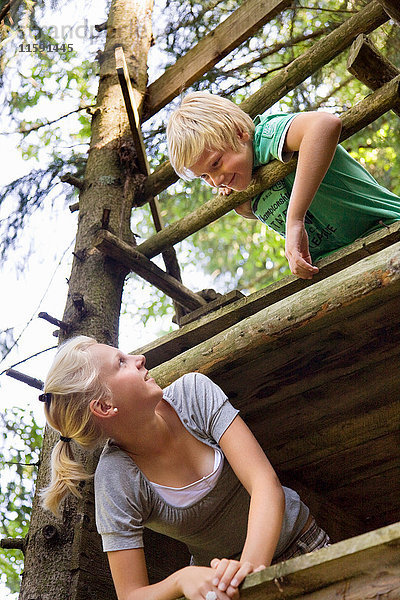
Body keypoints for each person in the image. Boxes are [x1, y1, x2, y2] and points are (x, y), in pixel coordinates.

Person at [39, 335, 330, 600]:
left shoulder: (194, 393)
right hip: (229, 590)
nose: (139, 359)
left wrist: (248, 573)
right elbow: (131, 594)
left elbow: (264, 483)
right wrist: (182, 579)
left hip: (300, 547)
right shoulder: (116, 479)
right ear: (104, 406)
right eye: (121, 362)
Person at [166, 92, 400, 280]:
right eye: (205, 176)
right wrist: (237, 194)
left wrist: (294, 219)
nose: (215, 180)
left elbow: (324, 124)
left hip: (387, 228)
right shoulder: (245, 185)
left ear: (240, 134)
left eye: (216, 163)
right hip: (340, 264)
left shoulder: (267, 136)